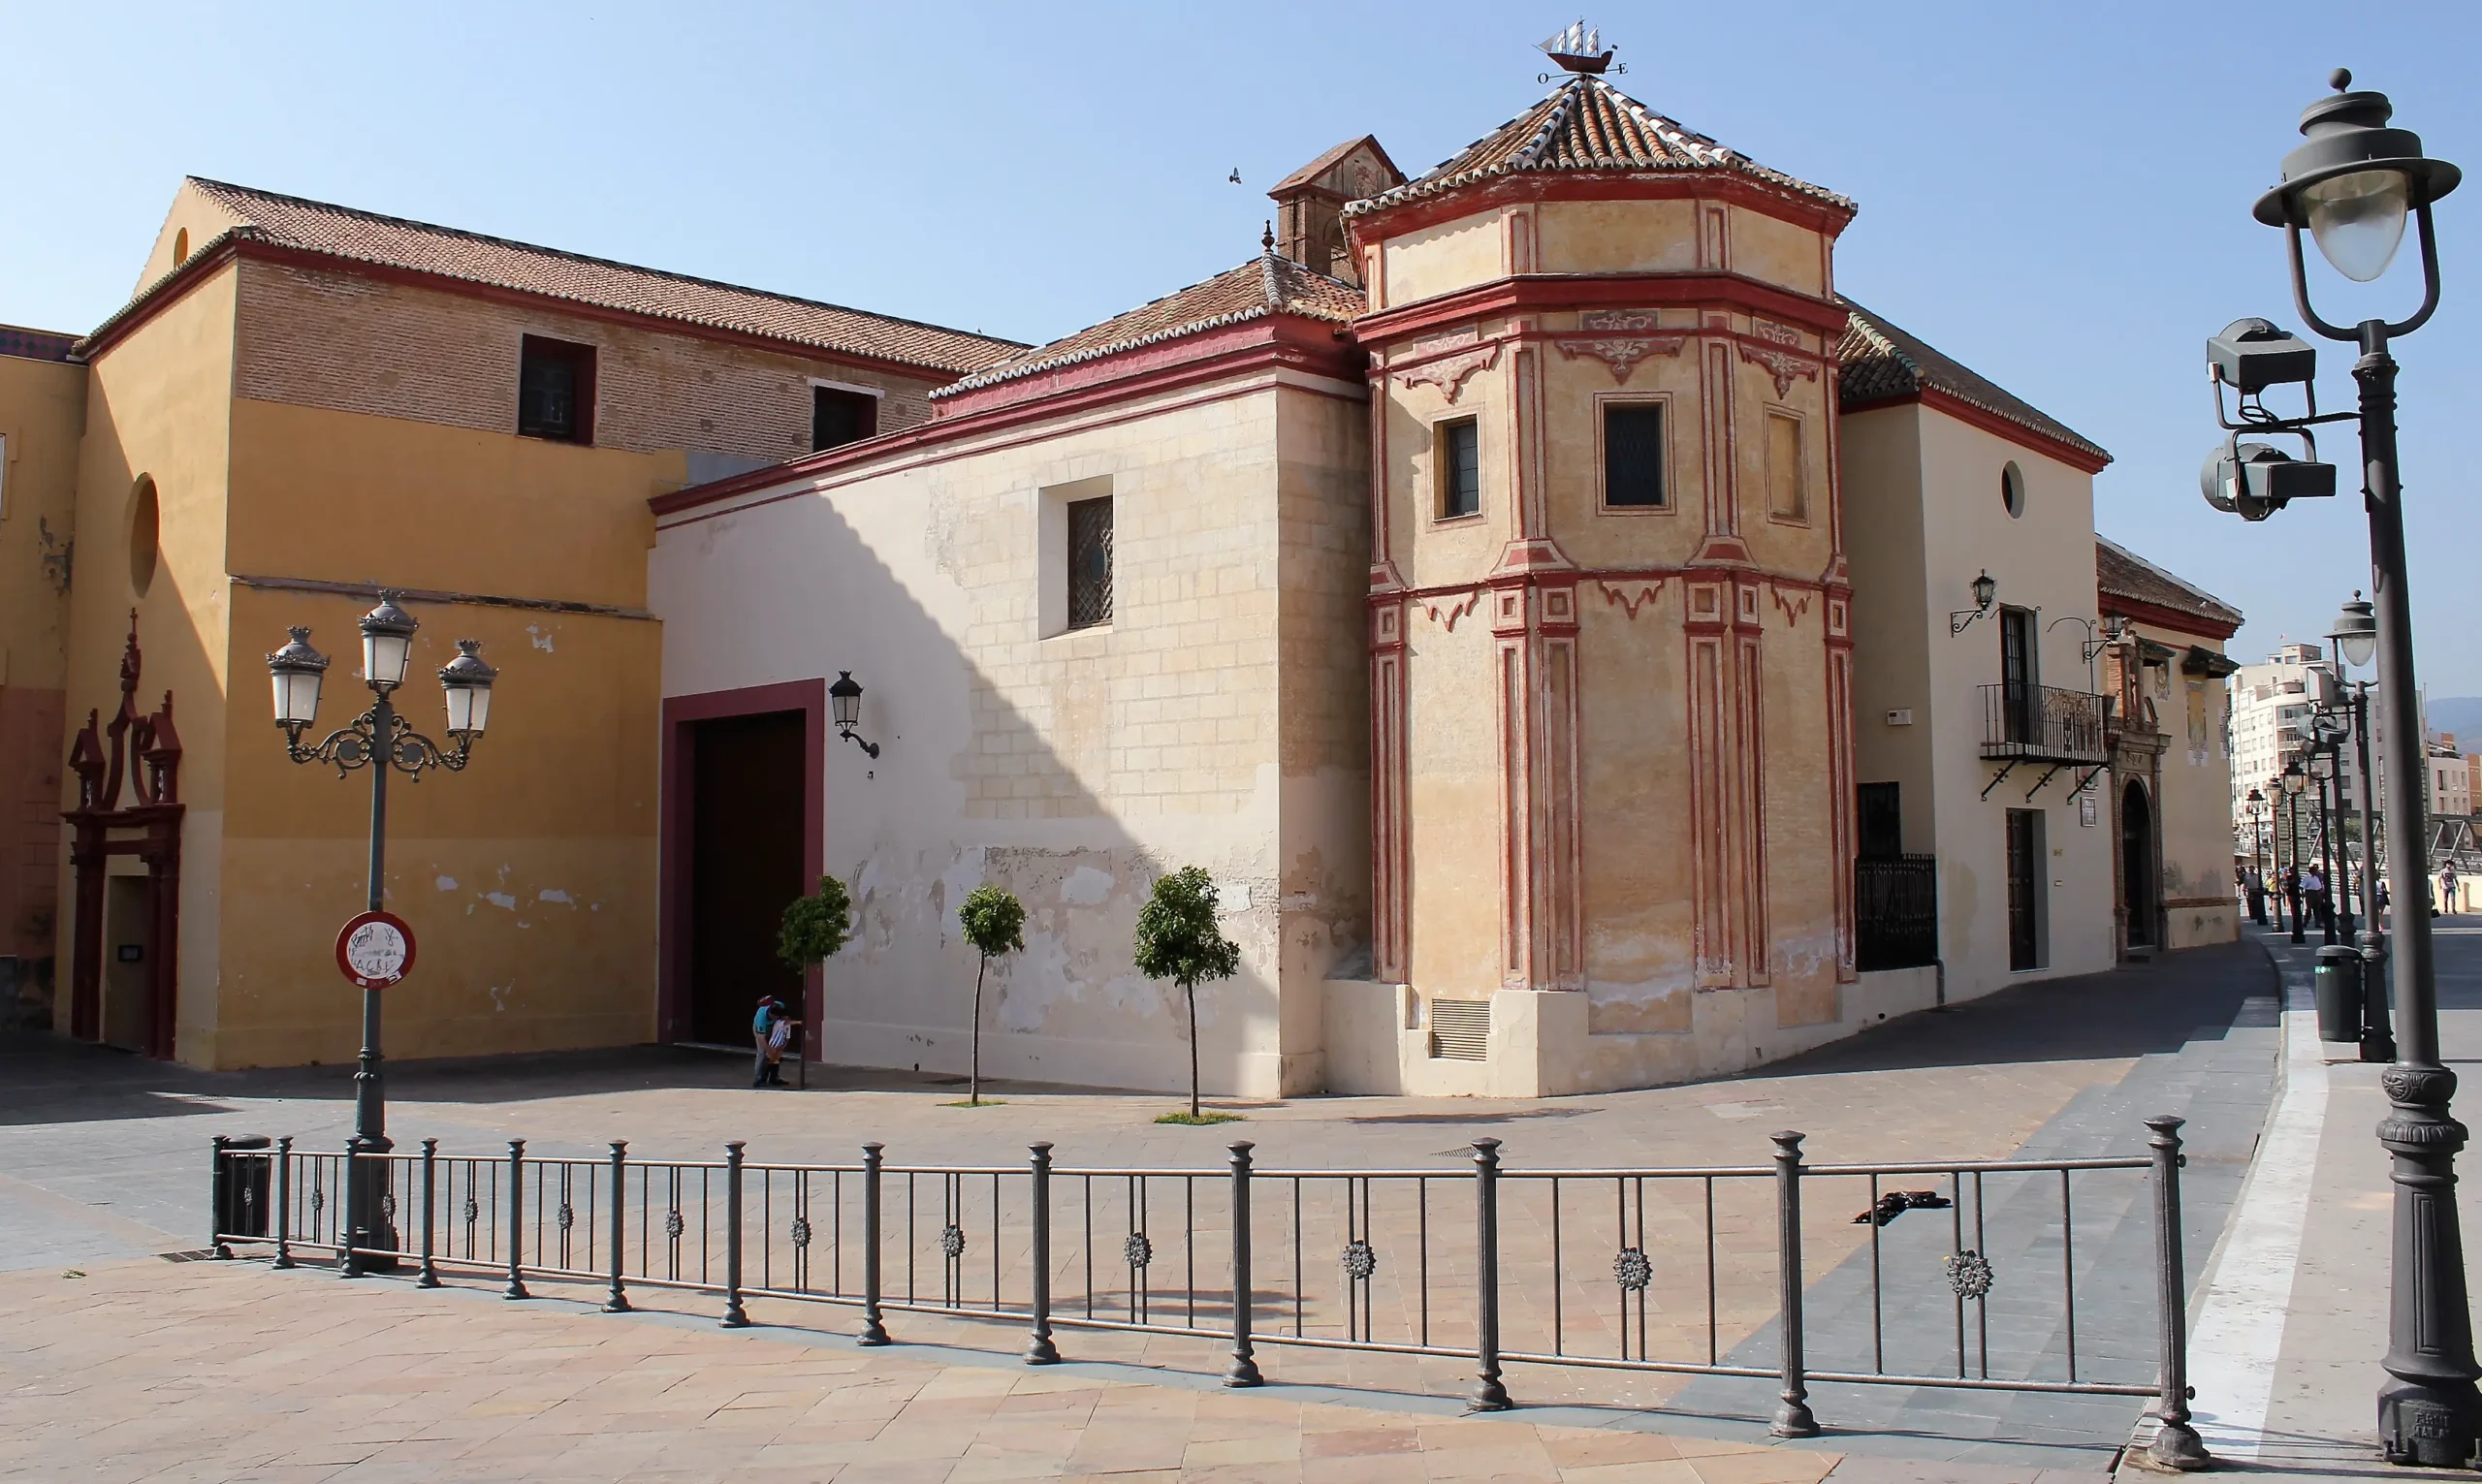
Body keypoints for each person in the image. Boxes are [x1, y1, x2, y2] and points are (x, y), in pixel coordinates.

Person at [752, 995, 790, 1088]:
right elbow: (761, 1038)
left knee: (776, 1051)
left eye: (776, 1017)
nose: (774, 1018)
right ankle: (758, 1079)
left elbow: (786, 1019)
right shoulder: (762, 1017)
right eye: (773, 1017)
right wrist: (769, 1051)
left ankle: (774, 1078)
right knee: (762, 1053)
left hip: (773, 1029)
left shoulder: (779, 1006)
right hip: (760, 1031)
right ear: (770, 1013)